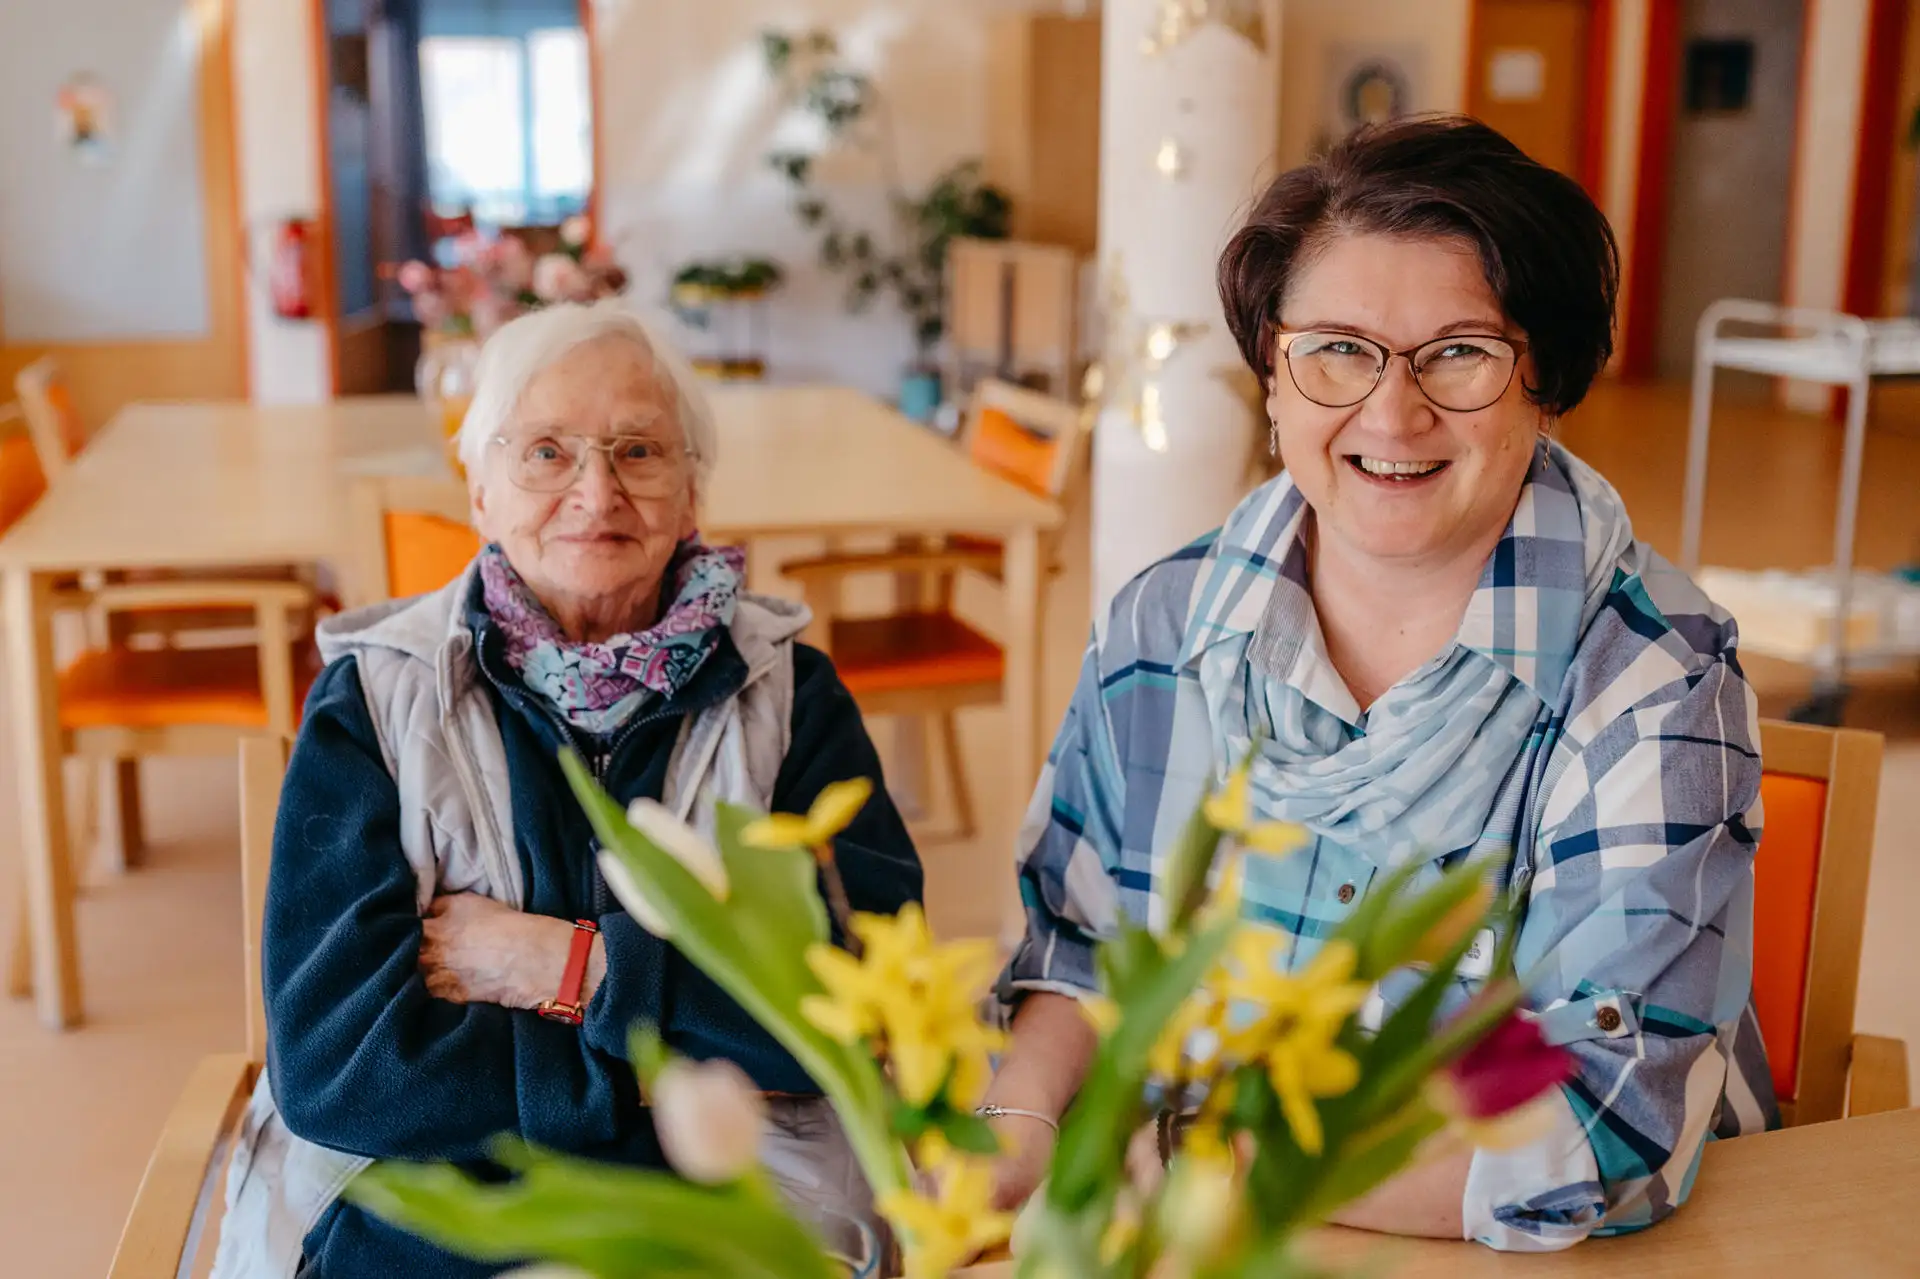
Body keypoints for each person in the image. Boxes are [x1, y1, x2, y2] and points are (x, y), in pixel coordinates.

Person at [978, 116, 1776, 1251]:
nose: (1392, 414)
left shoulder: (1650, 678)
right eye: (1338, 350)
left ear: (1542, 380)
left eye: (1459, 352)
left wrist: (1193, 1163)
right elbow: (1082, 947)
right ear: (1271, 375)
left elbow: (1601, 1122)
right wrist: (1018, 1123)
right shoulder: (1164, 626)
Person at [212, 304, 922, 1277]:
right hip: (444, 1197)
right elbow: (345, 1065)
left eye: (638, 451)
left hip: (744, 1193)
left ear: (693, 493)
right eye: (546, 452)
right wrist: (672, 1044)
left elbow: (857, 1010)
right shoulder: (374, 699)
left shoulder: (790, 696)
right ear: (480, 493)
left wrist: (568, 967)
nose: (597, 492)